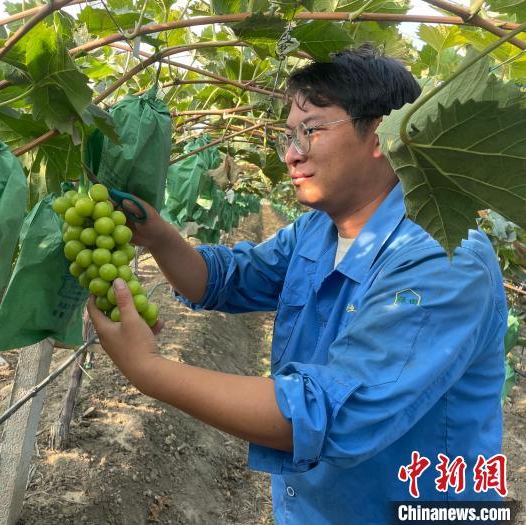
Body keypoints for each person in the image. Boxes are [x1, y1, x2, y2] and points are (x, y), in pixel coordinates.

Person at [86, 45, 508, 524]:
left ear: (387, 135)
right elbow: (227, 279)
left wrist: (148, 369)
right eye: (288, 135)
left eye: (311, 130)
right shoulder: (319, 229)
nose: (291, 153)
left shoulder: (444, 260)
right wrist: (160, 236)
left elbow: (329, 415)